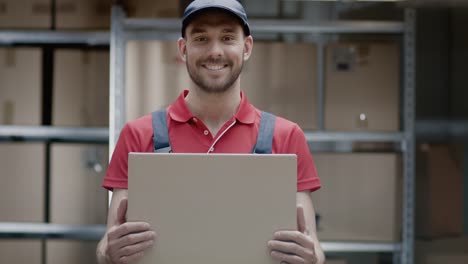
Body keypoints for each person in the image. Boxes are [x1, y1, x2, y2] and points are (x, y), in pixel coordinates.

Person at [96, 0, 325, 263]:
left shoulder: (286, 136)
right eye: (201, 38)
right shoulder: (138, 135)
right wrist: (108, 253)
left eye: (227, 37)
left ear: (246, 47)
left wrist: (311, 258)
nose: (215, 51)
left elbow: (314, 249)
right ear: (183, 49)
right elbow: (107, 245)